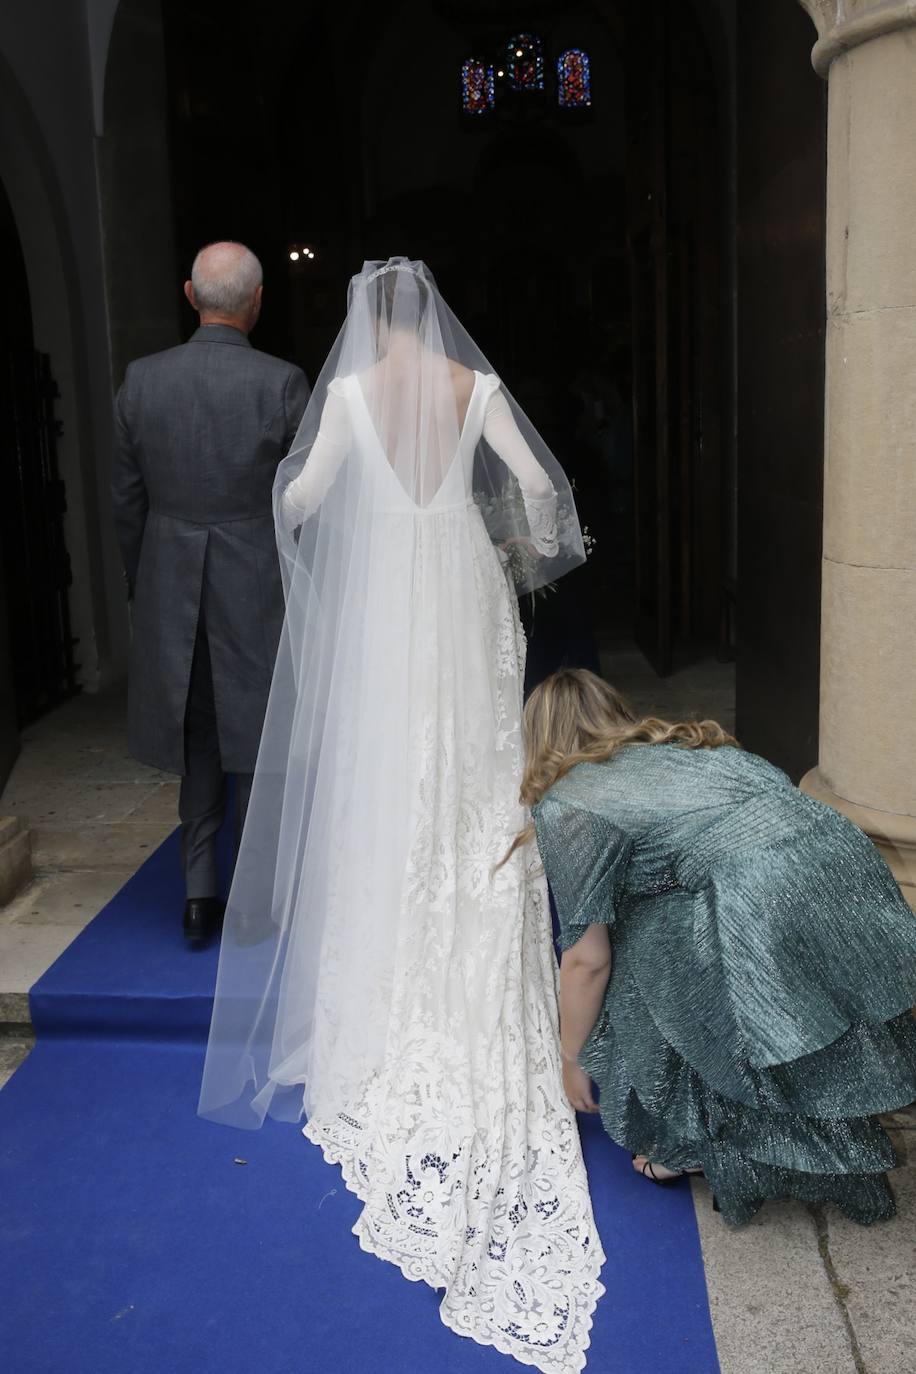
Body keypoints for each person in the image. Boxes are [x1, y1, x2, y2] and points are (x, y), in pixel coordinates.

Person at [199, 259, 606, 1370]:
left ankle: (392, 955)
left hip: (388, 594)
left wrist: (301, 520)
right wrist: (514, 552)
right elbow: (537, 484)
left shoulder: (340, 399)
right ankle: (468, 926)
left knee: (390, 770)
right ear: (428, 314)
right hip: (463, 585)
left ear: (359, 322)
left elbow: (301, 499)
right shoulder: (471, 388)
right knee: (470, 767)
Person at [519, 668, 916, 1226]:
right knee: (789, 1021)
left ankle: (699, 1143)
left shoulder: (569, 801)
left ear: (537, 738)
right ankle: (801, 1128)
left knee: (653, 953)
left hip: (759, 886)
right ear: (615, 711)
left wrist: (571, 1058)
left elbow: (588, 958)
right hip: (839, 858)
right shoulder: (686, 745)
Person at [111, 242, 310, 944]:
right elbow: (302, 503)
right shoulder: (283, 383)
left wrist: (152, 576)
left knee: (198, 737)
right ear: (256, 303)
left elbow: (127, 503)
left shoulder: (140, 381)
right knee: (255, 739)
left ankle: (199, 897)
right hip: (256, 580)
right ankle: (253, 900)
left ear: (190, 297)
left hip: (172, 580)